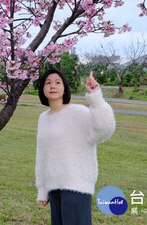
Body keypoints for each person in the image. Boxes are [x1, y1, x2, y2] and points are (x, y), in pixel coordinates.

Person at [35, 69, 115, 225]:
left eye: (57, 82)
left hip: (76, 186)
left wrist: (96, 97)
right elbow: (42, 155)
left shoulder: (78, 112)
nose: (53, 86)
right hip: (54, 188)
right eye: (48, 83)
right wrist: (42, 189)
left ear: (64, 88)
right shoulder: (43, 118)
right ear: (42, 89)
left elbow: (104, 130)